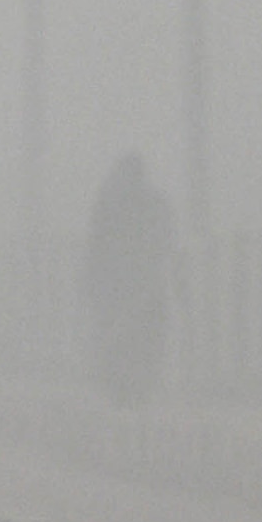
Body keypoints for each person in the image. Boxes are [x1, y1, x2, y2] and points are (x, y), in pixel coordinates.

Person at [84, 150, 179, 410]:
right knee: (147, 333)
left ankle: (121, 383)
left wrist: (93, 281)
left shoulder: (107, 202)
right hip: (144, 281)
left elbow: (96, 243)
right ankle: (141, 382)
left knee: (118, 332)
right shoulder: (154, 202)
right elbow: (166, 239)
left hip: (116, 282)